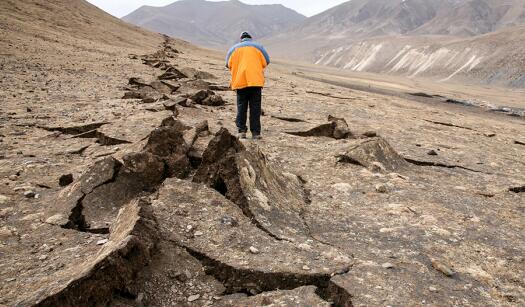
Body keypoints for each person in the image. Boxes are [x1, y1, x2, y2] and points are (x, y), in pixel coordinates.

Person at [226, 31, 270, 140]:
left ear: (241, 38)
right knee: (255, 107)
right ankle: (256, 133)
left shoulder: (233, 49)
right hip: (256, 81)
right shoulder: (258, 47)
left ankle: (241, 131)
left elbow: (228, 64)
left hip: (240, 81)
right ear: (251, 38)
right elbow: (266, 62)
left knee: (241, 107)